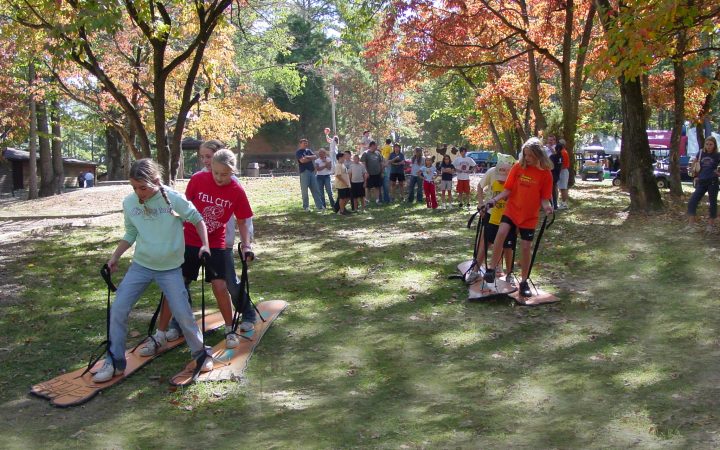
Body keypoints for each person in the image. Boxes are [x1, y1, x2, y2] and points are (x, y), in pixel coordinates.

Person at [92, 159, 212, 382]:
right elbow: (130, 233)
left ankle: (201, 354)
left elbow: (197, 219)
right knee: (118, 309)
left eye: (143, 187)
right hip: (141, 266)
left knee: (183, 314)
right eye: (134, 187)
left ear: (156, 181)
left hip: (170, 269)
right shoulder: (130, 203)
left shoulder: (173, 199)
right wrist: (114, 257)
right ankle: (115, 361)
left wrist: (204, 244)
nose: (139, 192)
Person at [140, 148, 254, 356]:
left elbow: (243, 220)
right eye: (216, 173)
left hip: (216, 243)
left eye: (225, 174)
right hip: (189, 240)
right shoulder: (198, 180)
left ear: (233, 171)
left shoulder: (237, 191)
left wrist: (246, 245)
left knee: (220, 285)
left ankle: (230, 330)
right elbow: (183, 206)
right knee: (174, 286)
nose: (219, 178)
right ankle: (160, 334)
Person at [482, 138, 554, 299]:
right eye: (525, 155)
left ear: (538, 155)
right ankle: (492, 269)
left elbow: (544, 198)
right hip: (512, 210)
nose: (526, 158)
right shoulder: (518, 167)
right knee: (500, 234)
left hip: (529, 216)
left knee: (526, 248)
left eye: (530, 156)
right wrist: (493, 200)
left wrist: (547, 206)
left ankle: (524, 282)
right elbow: (507, 190)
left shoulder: (545, 174)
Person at [466, 154, 517, 284]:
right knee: (485, 242)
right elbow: (479, 186)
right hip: (491, 213)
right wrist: (480, 203)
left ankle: (509, 273)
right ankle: (475, 271)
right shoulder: (491, 172)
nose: (501, 181)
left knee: (508, 246)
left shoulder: (516, 176)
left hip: (508, 215)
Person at [686, 136, 720, 234]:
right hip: (701, 182)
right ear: (704, 144)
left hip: (713, 182)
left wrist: (718, 173)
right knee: (692, 201)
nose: (709, 146)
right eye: (707, 144)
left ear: (714, 145)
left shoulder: (717, 155)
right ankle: (691, 225)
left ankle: (710, 226)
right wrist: (695, 174)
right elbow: (694, 165)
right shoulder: (701, 153)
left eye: (711, 144)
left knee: (712, 204)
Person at [296, 138, 324, 211]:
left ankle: (320, 206)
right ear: (300, 144)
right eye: (304, 143)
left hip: (312, 172)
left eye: (306, 143)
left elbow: (315, 156)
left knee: (315, 189)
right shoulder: (298, 152)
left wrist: (307, 157)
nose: (305, 144)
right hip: (304, 172)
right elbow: (302, 161)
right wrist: (310, 158)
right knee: (305, 191)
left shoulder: (308, 151)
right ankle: (306, 207)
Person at [361, 141, 384, 205]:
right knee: (368, 188)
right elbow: (363, 163)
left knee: (377, 187)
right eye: (375, 145)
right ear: (372, 146)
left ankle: (377, 200)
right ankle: (367, 201)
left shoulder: (378, 153)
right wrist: (366, 172)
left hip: (377, 173)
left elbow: (381, 163)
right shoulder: (365, 153)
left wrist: (382, 172)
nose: (377, 147)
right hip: (369, 174)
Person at [557, 140, 571, 209]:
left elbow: (563, 164)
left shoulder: (563, 152)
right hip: (563, 171)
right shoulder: (563, 151)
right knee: (562, 188)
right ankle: (563, 202)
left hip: (563, 171)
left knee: (563, 188)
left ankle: (564, 203)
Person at [380, 138, 393, 203]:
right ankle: (386, 199)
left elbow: (382, 154)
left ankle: (384, 198)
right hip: (387, 161)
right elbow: (390, 154)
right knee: (387, 176)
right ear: (390, 142)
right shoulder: (390, 147)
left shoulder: (383, 146)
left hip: (383, 160)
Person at [549, 145, 562, 210]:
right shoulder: (560, 156)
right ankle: (554, 204)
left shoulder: (553, 156)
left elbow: (550, 165)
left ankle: (552, 204)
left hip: (552, 175)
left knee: (550, 191)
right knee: (553, 190)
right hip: (557, 175)